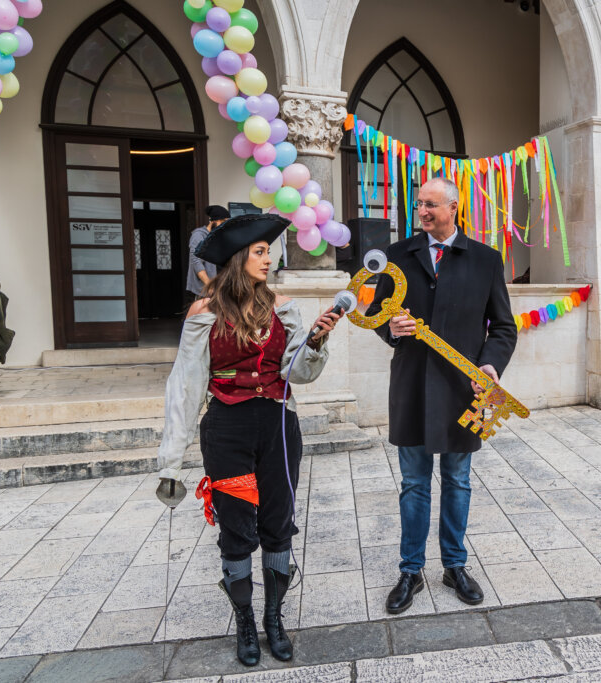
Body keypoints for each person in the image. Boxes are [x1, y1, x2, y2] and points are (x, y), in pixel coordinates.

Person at [156, 214, 342, 666]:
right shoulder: (204, 313)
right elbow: (185, 385)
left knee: (278, 523)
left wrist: (314, 343)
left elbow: (297, 374)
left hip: (278, 427)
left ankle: (273, 618)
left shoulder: (283, 306)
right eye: (260, 252)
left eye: (269, 250)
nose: (270, 258)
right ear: (239, 259)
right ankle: (244, 620)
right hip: (227, 431)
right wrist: (171, 462)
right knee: (237, 529)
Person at [367, 177, 517, 614]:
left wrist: (489, 365)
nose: (423, 211)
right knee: (414, 484)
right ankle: (410, 571)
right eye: (419, 204)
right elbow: (377, 315)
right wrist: (389, 329)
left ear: (454, 206)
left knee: (457, 480)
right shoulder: (397, 258)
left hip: (463, 391)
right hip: (411, 387)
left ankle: (454, 565)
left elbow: (504, 327)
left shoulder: (486, 260)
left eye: (431, 204)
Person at [186, 205, 231, 297]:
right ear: (214, 220)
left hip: (219, 289)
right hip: (205, 290)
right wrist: (210, 286)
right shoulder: (198, 236)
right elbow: (196, 263)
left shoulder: (218, 236)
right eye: (223, 221)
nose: (224, 225)